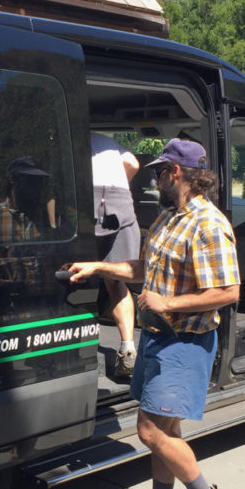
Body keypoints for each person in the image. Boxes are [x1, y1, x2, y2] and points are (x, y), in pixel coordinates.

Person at [68, 139, 241, 489]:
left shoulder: (208, 225)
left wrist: (169, 302)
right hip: (156, 337)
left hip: (185, 341)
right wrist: (99, 265)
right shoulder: (167, 218)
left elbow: (229, 290)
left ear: (177, 173)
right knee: (167, 429)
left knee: (148, 430)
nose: (156, 178)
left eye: (160, 172)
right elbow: (144, 268)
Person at [90, 133, 141, 377]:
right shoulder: (109, 142)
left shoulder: (63, 134)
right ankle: (128, 347)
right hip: (120, 198)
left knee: (77, 271)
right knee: (117, 279)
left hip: (88, 195)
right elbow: (133, 164)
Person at [0, 156, 56, 293]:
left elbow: (68, 257)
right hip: (11, 306)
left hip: (50, 303)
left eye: (39, 181)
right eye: (30, 181)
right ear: (13, 179)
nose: (36, 188)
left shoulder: (52, 216)